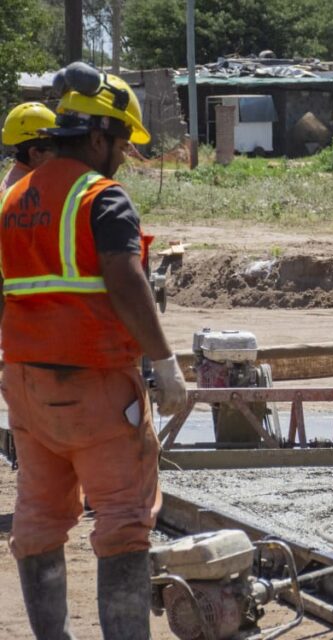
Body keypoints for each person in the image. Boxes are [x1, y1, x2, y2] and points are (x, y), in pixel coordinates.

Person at [2, 62, 187, 640]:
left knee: (37, 520)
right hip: (98, 389)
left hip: (28, 389)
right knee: (125, 524)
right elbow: (125, 281)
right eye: (121, 144)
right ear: (99, 136)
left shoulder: (12, 199)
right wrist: (165, 362)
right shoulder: (101, 198)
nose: (121, 158)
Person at [2, 102, 58, 190]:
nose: (61, 154)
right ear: (35, 153)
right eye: (57, 147)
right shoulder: (30, 193)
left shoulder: (18, 179)